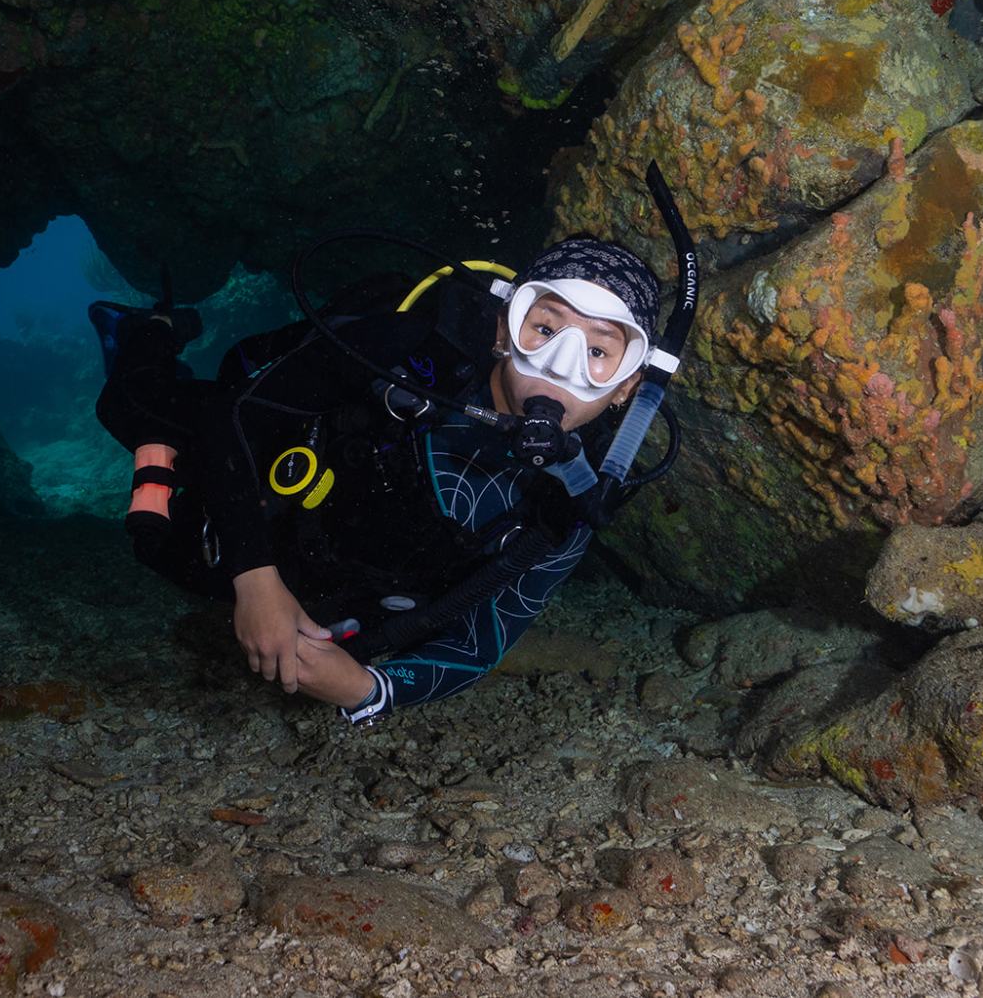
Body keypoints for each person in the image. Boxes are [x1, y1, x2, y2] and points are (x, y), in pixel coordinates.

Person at [93, 237, 662, 725]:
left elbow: (485, 640)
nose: (561, 366)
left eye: (596, 351)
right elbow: (231, 421)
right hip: (268, 490)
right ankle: (148, 331)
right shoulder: (404, 351)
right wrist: (255, 579)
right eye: (545, 328)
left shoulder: (581, 495)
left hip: (340, 579)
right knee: (130, 410)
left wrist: (366, 691)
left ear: (626, 388)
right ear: (503, 328)